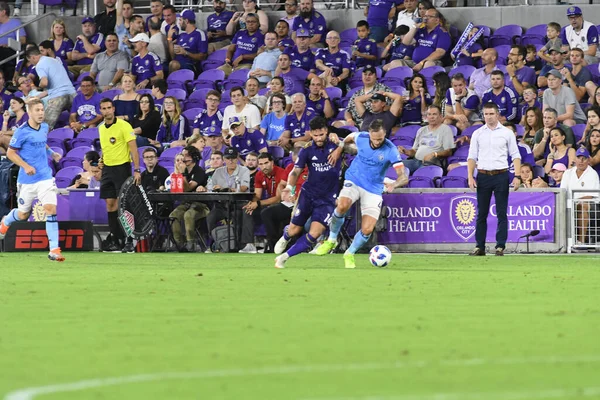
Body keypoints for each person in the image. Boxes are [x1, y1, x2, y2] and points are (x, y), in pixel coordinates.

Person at [314, 119, 406, 268]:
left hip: (374, 189)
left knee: (368, 229)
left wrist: (394, 184)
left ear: (385, 135)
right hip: (354, 180)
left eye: (380, 139)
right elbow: (348, 139)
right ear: (369, 134)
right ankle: (331, 240)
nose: (377, 142)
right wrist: (339, 148)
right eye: (374, 139)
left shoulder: (391, 150)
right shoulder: (361, 137)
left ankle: (349, 253)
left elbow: (403, 176)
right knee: (342, 205)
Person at [273, 117, 343, 267]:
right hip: (308, 195)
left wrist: (341, 145)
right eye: (315, 135)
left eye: (321, 135)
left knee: (315, 233)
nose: (318, 138)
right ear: (311, 133)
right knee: (294, 230)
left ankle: (284, 257)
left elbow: (357, 143)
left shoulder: (336, 144)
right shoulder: (307, 149)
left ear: (326, 131)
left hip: (327, 199)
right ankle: (286, 235)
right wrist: (289, 188)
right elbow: (295, 172)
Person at [0, 99, 64, 261]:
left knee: (50, 209)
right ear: (29, 112)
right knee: (23, 215)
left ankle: (54, 250)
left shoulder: (44, 127)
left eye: (42, 110)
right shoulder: (21, 131)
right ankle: (5, 221)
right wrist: (26, 166)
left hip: (45, 177)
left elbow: (42, 143)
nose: (41, 113)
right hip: (27, 180)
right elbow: (11, 153)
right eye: (37, 110)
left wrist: (52, 154)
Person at [467, 102, 521, 257]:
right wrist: (470, 176)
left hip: (501, 175)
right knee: (481, 213)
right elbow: (472, 156)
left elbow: (515, 155)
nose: (488, 117)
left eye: (491, 114)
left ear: (497, 114)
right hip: (483, 175)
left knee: (501, 212)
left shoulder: (507, 133)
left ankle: (500, 246)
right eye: (486, 114)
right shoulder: (477, 133)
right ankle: (479, 246)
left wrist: (517, 176)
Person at [97, 98, 141, 253]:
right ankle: (116, 239)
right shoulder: (101, 128)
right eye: (103, 108)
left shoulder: (124, 126)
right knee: (110, 204)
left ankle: (130, 239)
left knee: (124, 205)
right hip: (108, 169)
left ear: (113, 109)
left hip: (122, 168)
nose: (107, 111)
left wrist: (136, 169)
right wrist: (101, 160)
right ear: (100, 111)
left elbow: (133, 149)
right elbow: (106, 148)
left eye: (109, 107)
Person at [206, 147, 254, 252]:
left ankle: (242, 245)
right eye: (228, 158)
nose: (230, 161)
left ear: (236, 159)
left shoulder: (244, 170)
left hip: (238, 203)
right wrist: (209, 188)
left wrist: (227, 189)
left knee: (240, 215)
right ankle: (215, 244)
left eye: (233, 158)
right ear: (224, 159)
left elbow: (244, 188)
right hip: (222, 204)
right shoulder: (218, 171)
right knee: (210, 218)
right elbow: (210, 187)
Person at [243, 152, 287, 253]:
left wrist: (258, 204)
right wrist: (252, 203)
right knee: (247, 210)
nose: (264, 166)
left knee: (267, 213)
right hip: (269, 204)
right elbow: (257, 195)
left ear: (272, 162)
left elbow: (278, 198)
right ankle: (249, 244)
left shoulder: (281, 173)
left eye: (266, 163)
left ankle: (272, 245)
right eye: (261, 164)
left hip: (283, 204)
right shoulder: (259, 175)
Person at [169, 146, 209, 252]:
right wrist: (178, 173)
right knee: (174, 215)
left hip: (201, 205)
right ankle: (179, 244)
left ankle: (191, 242)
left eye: (186, 155)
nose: (183, 158)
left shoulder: (199, 171)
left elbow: (187, 188)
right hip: (186, 203)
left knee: (188, 215)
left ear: (193, 157)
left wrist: (183, 174)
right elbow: (177, 188)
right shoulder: (184, 170)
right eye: (183, 155)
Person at [25, 47, 77, 130]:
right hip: (72, 94)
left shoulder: (40, 65)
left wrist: (40, 86)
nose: (31, 63)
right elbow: (55, 87)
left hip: (58, 98)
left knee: (44, 126)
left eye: (30, 61)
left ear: (33, 57)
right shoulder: (54, 60)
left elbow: (44, 82)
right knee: (78, 121)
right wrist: (36, 97)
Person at [560, 147, 600, 247]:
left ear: (588, 160)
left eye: (584, 158)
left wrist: (574, 202)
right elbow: (562, 191)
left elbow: (591, 196)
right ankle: (560, 242)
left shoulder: (592, 174)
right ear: (575, 159)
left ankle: (581, 242)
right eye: (579, 158)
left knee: (583, 205)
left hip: (589, 206)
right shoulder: (567, 173)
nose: (581, 161)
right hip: (569, 203)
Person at [398, 105, 455, 172]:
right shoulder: (421, 130)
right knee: (393, 165)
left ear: (440, 116)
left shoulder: (445, 129)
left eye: (434, 114)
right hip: (415, 161)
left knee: (421, 175)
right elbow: (414, 151)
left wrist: (435, 154)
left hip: (431, 163)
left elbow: (448, 152)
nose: (431, 117)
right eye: (429, 114)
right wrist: (406, 151)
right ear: (426, 117)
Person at [168, 9, 208, 74]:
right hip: (176, 63)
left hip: (191, 65)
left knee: (174, 64)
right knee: (171, 63)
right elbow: (172, 56)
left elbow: (203, 56)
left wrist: (185, 53)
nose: (179, 23)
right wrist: (169, 38)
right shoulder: (181, 35)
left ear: (186, 21)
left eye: (180, 20)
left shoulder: (200, 34)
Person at [0, 2, 27, 81]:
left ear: (3, 12)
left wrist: (8, 44)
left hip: (9, 49)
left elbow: (23, 40)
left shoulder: (15, 22)